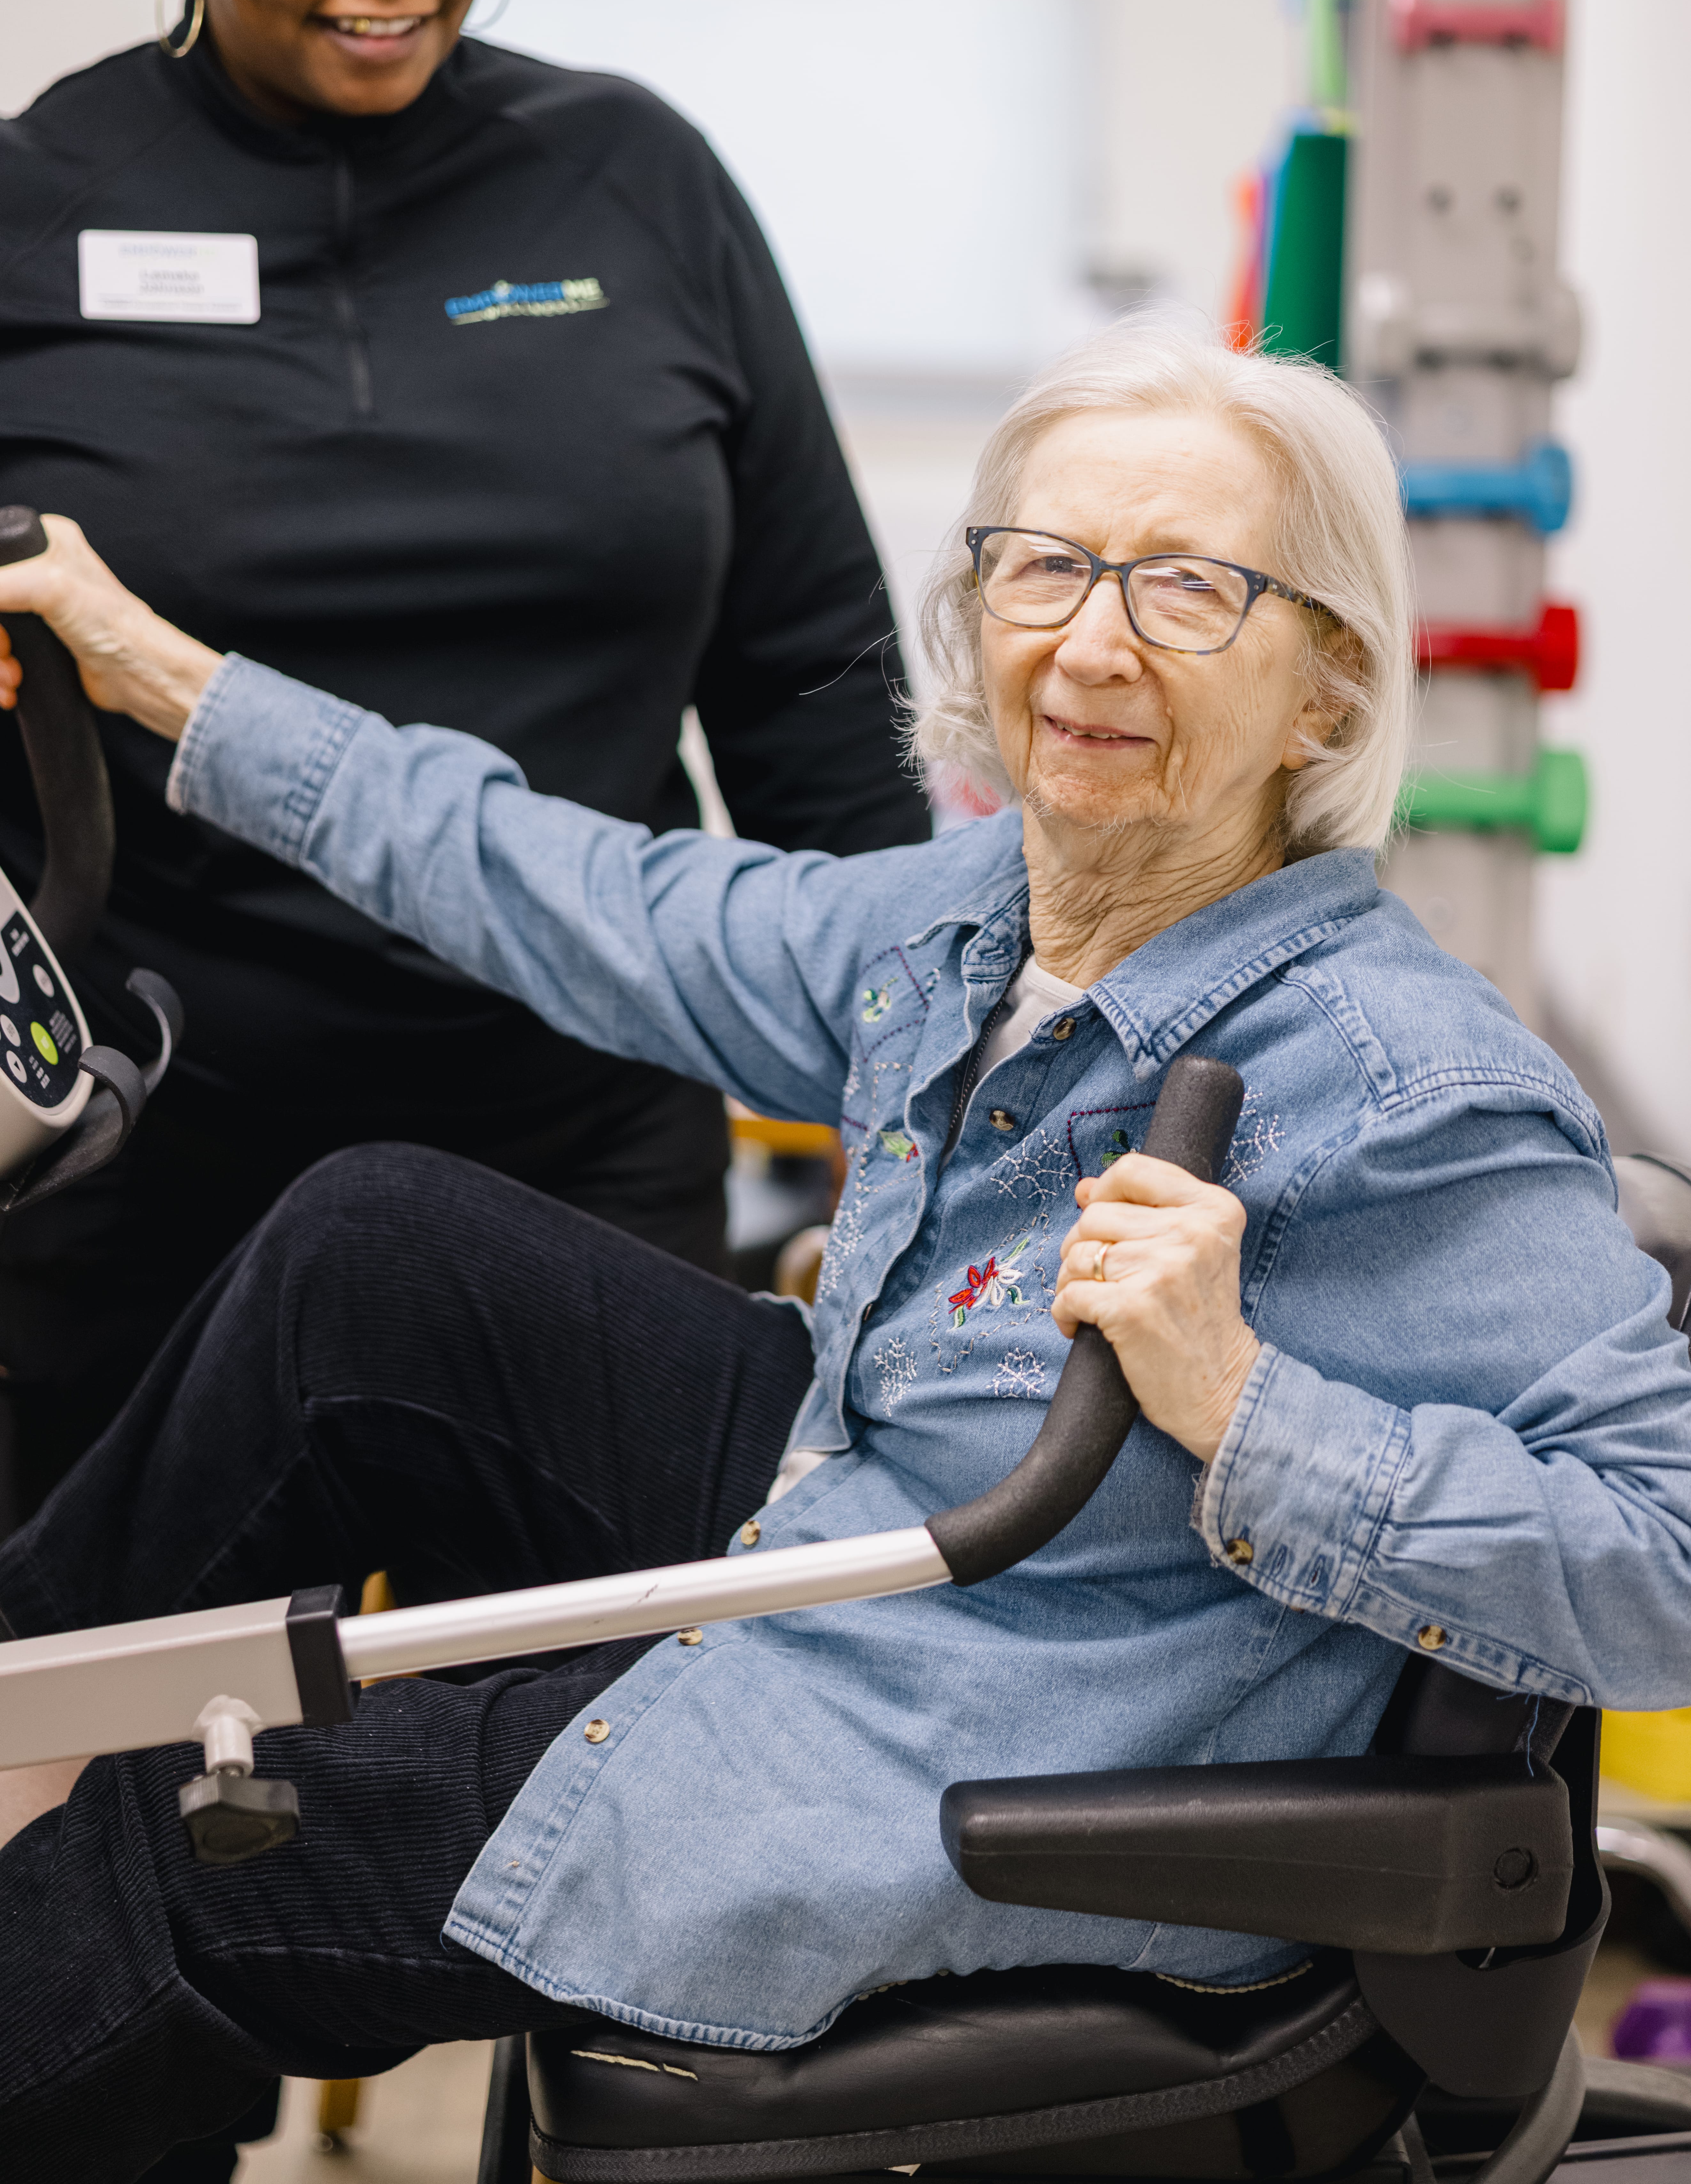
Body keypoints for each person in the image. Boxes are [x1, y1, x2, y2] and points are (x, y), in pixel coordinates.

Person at [1, 325, 1688, 2181]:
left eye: (1189, 590)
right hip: (881, 1529)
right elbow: (580, 887)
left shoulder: (1405, 1093)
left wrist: (1249, 1405)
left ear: (1327, 692)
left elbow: (1664, 1571)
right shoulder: (977, 923)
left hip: (1020, 1727)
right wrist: (158, 674)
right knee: (377, 1258)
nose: (1092, 641)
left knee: (194, 1843)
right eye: (1045, 567)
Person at [0, 0, 925, 1501]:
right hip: (160, 1152)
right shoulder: (38, 208)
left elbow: (815, 683)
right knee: (145, 1773)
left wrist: (923, 1093)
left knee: (581, 1737)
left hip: (586, 1131)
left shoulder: (633, 183)